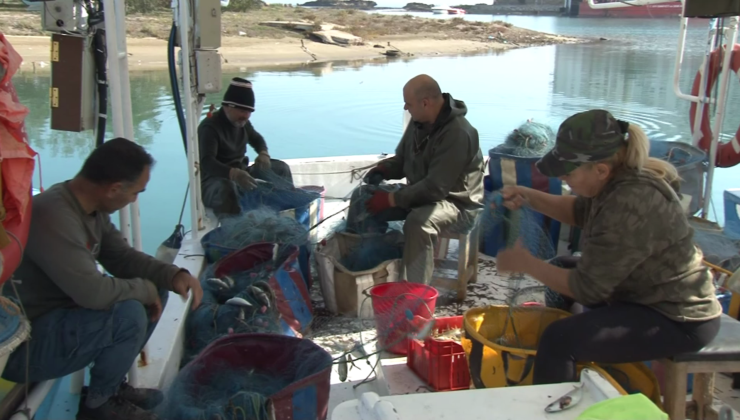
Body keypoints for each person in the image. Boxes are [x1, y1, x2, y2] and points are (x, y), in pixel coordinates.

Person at [494, 109, 722, 385]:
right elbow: (579, 211)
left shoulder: (630, 201)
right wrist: (528, 196)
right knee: (563, 266)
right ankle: (576, 367)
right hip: (640, 293)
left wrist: (526, 263)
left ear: (601, 170)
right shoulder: (614, 181)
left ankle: (563, 384)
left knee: (558, 339)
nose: (563, 178)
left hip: (677, 318)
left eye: (568, 172)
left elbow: (587, 289)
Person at [1, 138, 204, 420]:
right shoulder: (54, 215)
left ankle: (110, 385)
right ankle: (98, 407)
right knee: (129, 313)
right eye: (136, 193)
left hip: (60, 319)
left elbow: (121, 257)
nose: (135, 200)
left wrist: (172, 274)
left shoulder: (89, 207)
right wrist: (143, 290)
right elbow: (92, 293)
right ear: (114, 189)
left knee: (156, 287)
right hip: (25, 345)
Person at [359, 74, 485, 285]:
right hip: (420, 193)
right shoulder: (419, 121)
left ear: (425, 103)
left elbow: (436, 188)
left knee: (419, 223)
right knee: (362, 197)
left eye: (408, 104)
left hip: (458, 204)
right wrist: (384, 170)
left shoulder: (459, 133)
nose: (405, 108)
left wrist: (390, 200)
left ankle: (414, 294)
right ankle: (370, 266)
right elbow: (402, 160)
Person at [198, 77, 294, 216]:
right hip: (214, 183)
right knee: (228, 188)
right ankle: (235, 228)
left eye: (249, 112)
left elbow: (257, 139)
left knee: (281, 168)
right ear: (228, 107)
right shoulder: (210, 127)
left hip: (242, 174)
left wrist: (263, 153)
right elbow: (207, 162)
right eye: (242, 111)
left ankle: (283, 214)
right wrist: (233, 173)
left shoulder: (242, 123)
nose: (246, 116)